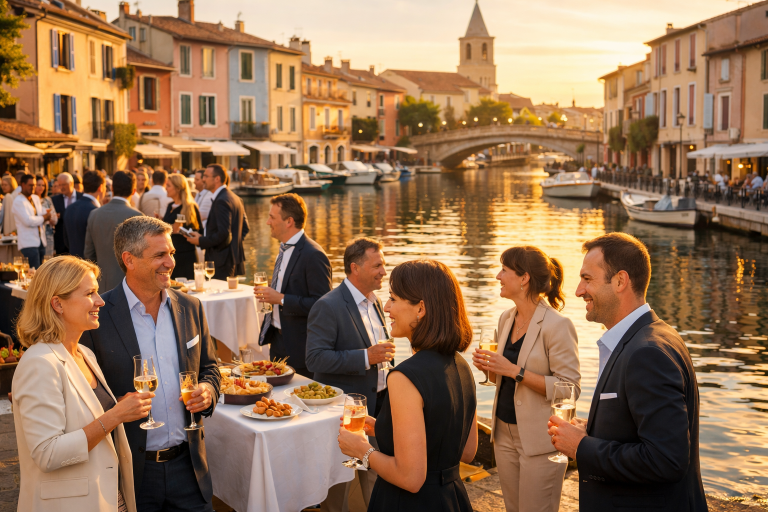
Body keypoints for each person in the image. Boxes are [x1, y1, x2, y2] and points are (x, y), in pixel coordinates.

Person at [548, 233, 707, 512]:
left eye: (587, 279)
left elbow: (667, 459)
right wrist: (595, 430)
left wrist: (582, 448)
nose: (578, 290)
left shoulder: (647, 353)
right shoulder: (652, 336)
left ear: (620, 281)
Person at [80, 216, 221, 512]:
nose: (170, 262)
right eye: (160, 255)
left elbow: (210, 367)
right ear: (129, 260)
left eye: (170, 253)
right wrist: (116, 408)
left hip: (190, 468)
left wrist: (208, 391)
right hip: (132, 471)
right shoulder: (97, 317)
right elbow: (84, 391)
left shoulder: (191, 307)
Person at [13, 256, 154, 512]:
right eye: (90, 293)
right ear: (57, 303)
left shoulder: (83, 354)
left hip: (106, 497)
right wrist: (114, 416)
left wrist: (117, 407)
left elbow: (83, 414)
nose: (100, 301)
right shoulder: (40, 363)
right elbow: (47, 453)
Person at [338, 259, 478, 512]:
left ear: (420, 308)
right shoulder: (461, 365)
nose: (387, 308)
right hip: (452, 499)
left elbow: (410, 478)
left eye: (393, 299)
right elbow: (467, 451)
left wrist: (363, 451)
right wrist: (384, 429)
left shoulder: (404, 377)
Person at [472, 246, 580, 512]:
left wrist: (513, 370)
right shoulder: (506, 318)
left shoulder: (557, 325)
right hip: (503, 433)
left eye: (504, 270)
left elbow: (570, 389)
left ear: (524, 278)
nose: (498, 276)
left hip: (541, 439)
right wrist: (489, 370)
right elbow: (504, 379)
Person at [306, 238, 394, 511]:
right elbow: (314, 358)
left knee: (378, 482)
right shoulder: (328, 305)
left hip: (379, 406)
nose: (383, 270)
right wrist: (366, 357)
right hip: (346, 412)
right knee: (339, 489)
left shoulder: (376, 300)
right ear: (355, 268)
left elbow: (385, 352)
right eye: (377, 265)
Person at [254, 193, 331, 378]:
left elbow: (323, 306)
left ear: (289, 221)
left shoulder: (314, 255)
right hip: (278, 341)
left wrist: (280, 299)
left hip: (301, 348)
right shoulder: (284, 248)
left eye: (272, 217)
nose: (267, 222)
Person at [183, 164, 250, 280]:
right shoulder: (234, 197)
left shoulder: (221, 200)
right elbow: (244, 228)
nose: (203, 179)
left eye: (206, 176)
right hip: (231, 259)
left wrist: (200, 240)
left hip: (221, 261)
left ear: (217, 179)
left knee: (220, 295)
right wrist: (233, 246)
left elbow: (223, 233)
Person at [84, 171, 143, 291]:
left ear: (111, 187)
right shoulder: (137, 216)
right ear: (134, 191)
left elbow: (89, 254)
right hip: (129, 287)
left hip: (100, 285)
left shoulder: (94, 214)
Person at [162, 174, 201, 280]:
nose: (166, 188)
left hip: (186, 255)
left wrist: (181, 231)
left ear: (178, 188)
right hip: (171, 255)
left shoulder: (190, 207)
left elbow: (199, 230)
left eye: (169, 186)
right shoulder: (170, 206)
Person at [12, 174, 52, 269]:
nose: (33, 187)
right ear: (23, 184)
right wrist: (44, 218)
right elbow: (28, 221)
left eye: (34, 185)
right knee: (34, 273)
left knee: (42, 272)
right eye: (30, 185)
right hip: (28, 243)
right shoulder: (18, 201)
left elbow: (41, 213)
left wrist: (47, 215)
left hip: (41, 241)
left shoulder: (35, 198)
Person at [64, 171, 106, 258]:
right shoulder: (96, 211)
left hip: (73, 262)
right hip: (90, 265)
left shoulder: (70, 208)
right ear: (101, 188)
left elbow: (66, 240)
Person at [51, 172, 83, 255]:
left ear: (71, 183)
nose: (61, 187)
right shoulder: (54, 200)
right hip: (61, 244)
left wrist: (61, 215)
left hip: (79, 241)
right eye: (59, 185)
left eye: (64, 185)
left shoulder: (82, 197)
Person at [35, 175, 58, 257]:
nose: (41, 187)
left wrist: (49, 218)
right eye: (38, 185)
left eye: (43, 185)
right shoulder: (30, 200)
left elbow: (55, 219)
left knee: (48, 261)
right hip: (35, 235)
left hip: (48, 234)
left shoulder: (47, 200)